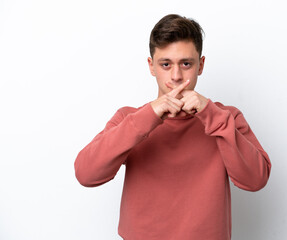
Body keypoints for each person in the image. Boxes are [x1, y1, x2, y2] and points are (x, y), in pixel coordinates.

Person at [74, 14, 271, 240]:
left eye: (186, 64)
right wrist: (147, 117)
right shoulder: (129, 118)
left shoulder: (227, 118)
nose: (176, 76)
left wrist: (212, 115)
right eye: (166, 64)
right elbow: (86, 174)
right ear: (151, 66)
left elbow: (255, 180)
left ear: (201, 65)